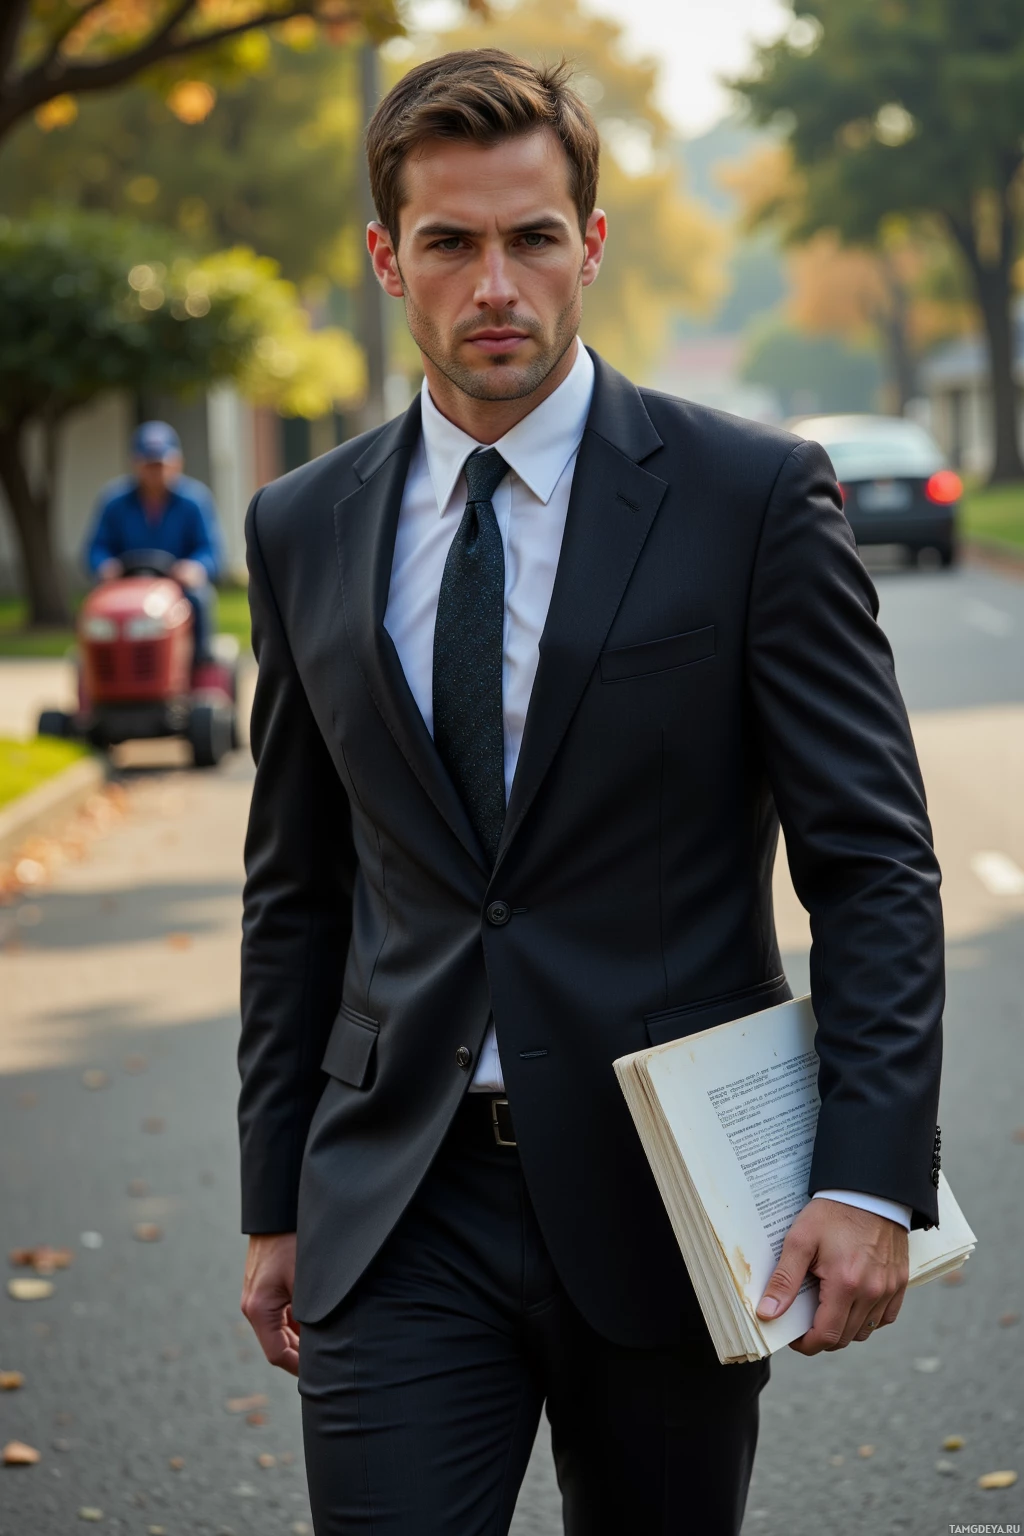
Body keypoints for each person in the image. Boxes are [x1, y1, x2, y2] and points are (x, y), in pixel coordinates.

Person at [238, 50, 944, 1536]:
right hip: (398, 1201)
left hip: (670, 1204)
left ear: (592, 244)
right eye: (450, 242)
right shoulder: (301, 525)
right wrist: (273, 1198)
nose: (495, 284)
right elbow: (297, 888)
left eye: (534, 237)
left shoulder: (753, 498)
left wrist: (871, 1176)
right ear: (388, 259)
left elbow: (871, 861)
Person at [84, 420, 223, 662]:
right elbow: (96, 547)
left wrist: (195, 567)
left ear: (176, 463)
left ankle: (198, 663)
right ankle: (103, 664)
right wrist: (104, 565)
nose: (155, 471)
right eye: (149, 464)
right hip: (126, 586)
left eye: (160, 464)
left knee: (200, 599)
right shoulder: (114, 502)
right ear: (135, 463)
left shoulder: (195, 501)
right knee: (97, 608)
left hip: (177, 586)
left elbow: (211, 550)